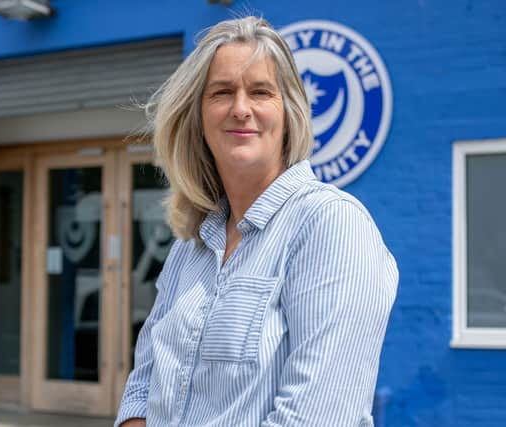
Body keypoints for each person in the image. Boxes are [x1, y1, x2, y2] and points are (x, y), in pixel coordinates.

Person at [116, 16, 398, 427]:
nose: (241, 109)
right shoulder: (190, 247)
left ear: (289, 113)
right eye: (222, 92)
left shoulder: (331, 225)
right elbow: (142, 386)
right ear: (197, 116)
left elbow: (316, 417)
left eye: (261, 92)